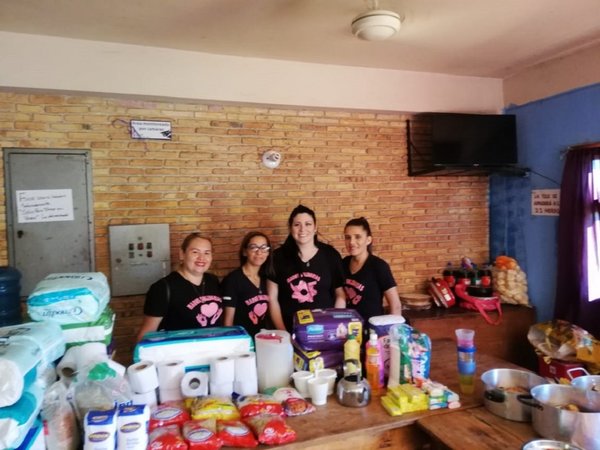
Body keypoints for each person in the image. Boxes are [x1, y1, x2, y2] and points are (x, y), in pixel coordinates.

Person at [267, 204, 346, 332]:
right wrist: (284, 333)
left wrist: (334, 325)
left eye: (308, 224)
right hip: (290, 330)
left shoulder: (331, 255)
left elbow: (340, 295)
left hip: (325, 329)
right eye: (297, 224)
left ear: (315, 227)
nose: (302, 229)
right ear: (290, 228)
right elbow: (272, 298)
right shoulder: (278, 257)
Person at [136, 232, 223, 341]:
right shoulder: (162, 288)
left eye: (207, 253)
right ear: (182, 254)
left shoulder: (212, 280)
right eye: (195, 252)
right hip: (179, 354)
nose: (202, 258)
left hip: (213, 350)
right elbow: (147, 333)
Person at [342, 217, 402, 326]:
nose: (351, 242)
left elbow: (395, 305)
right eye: (347, 237)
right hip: (348, 329)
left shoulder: (379, 266)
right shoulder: (343, 263)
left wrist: (393, 333)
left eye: (358, 237)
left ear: (368, 240)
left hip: (372, 332)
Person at [222, 231, 273, 336]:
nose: (259, 252)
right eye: (254, 247)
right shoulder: (233, 279)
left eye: (264, 248)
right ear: (245, 252)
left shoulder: (267, 278)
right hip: (241, 341)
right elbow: (228, 322)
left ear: (268, 252)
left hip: (262, 339)